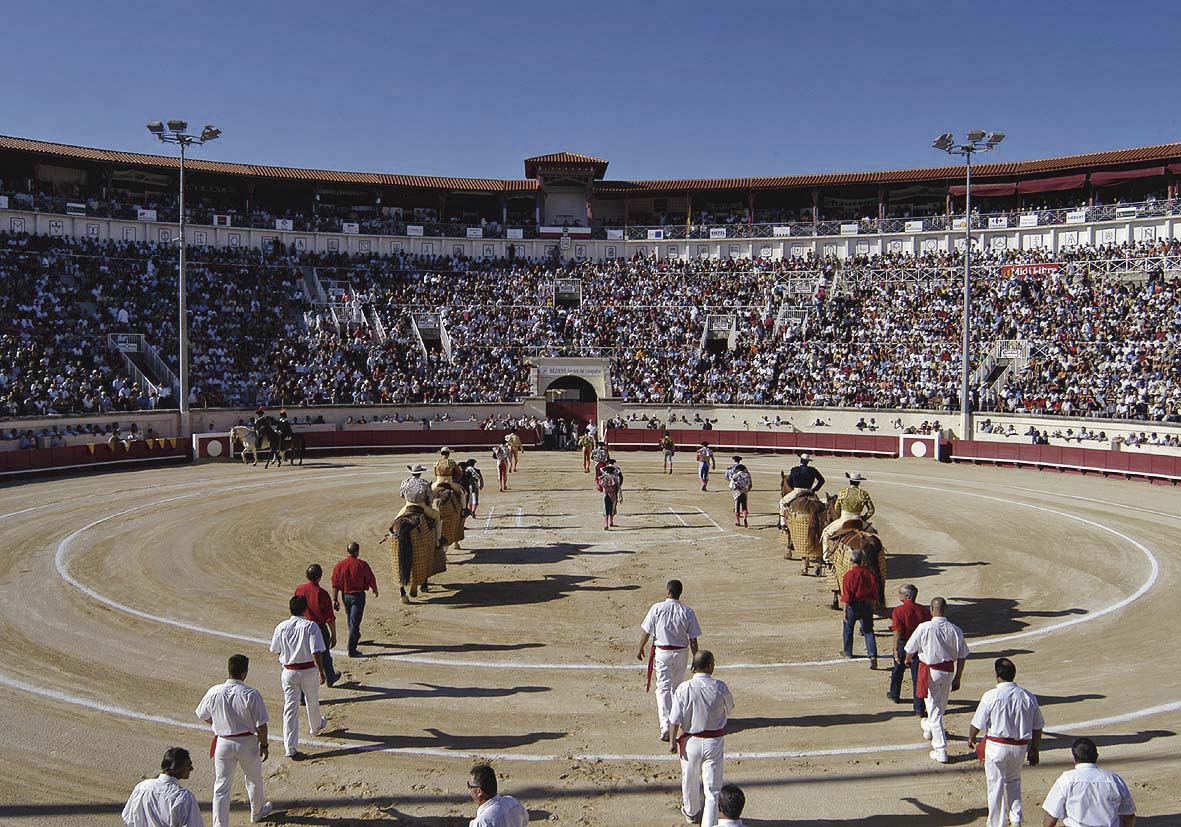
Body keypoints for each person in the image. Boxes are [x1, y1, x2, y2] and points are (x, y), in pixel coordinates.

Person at [194, 654, 272, 826]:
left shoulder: (214, 691)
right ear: (244, 673)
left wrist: (216, 724)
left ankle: (219, 824)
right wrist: (264, 745)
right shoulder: (251, 694)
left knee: (221, 786)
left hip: (223, 743)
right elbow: (261, 725)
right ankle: (257, 812)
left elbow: (202, 714)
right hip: (247, 743)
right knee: (253, 780)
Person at [968, 658, 1045, 827]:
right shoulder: (1027, 696)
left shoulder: (990, 696)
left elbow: (977, 723)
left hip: (996, 747)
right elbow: (1038, 726)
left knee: (995, 785)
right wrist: (1035, 749)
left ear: (997, 675)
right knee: (1014, 781)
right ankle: (1016, 819)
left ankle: (997, 823)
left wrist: (971, 737)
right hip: (1019, 748)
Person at [668, 650, 735, 827]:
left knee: (689, 779)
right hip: (713, 742)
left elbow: (674, 719)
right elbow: (730, 708)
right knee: (712, 788)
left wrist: (672, 741)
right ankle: (709, 824)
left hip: (691, 742)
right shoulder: (720, 687)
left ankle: (691, 814)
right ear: (709, 666)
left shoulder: (684, 688)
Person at [904, 596, 970, 764]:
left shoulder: (924, 627)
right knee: (939, 708)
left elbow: (910, 649)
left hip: (931, 671)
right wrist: (958, 677)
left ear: (931, 610)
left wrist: (907, 660)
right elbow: (962, 656)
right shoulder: (955, 629)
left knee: (935, 710)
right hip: (948, 672)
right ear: (946, 609)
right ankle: (928, 728)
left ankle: (940, 749)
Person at [636, 579, 702, 741]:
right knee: (677, 688)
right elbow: (693, 639)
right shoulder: (687, 612)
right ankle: (676, 722)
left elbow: (647, 631)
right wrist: (696, 657)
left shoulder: (657, 608)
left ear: (668, 592)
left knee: (663, 688)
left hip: (663, 653)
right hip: (681, 653)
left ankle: (666, 725)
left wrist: (640, 647)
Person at [268, 595, 327, 760]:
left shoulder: (281, 627)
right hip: (308, 670)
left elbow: (276, 650)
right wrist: (321, 671)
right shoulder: (310, 626)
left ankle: (290, 747)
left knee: (290, 708)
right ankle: (315, 727)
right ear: (305, 609)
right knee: (312, 700)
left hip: (289, 671)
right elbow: (316, 651)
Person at [1041, 737, 1136, 827]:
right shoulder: (1114, 779)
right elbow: (1129, 815)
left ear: (1074, 759)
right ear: (1096, 756)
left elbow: (1051, 815)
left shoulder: (1067, 779)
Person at [122, 747, 203, 827]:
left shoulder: (142, 787)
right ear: (176, 768)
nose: (191, 769)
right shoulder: (184, 797)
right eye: (188, 765)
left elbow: (128, 818)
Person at [888, 584, 931, 715]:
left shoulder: (898, 610)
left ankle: (895, 694)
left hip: (903, 643)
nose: (899, 594)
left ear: (907, 595)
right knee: (917, 676)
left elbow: (897, 631)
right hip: (919, 645)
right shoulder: (923, 610)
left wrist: (895, 648)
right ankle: (918, 707)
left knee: (897, 670)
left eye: (900, 592)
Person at [294, 564, 341, 687]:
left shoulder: (299, 589)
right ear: (319, 577)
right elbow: (330, 618)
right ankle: (329, 676)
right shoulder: (322, 593)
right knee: (324, 654)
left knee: (304, 653)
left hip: (302, 625)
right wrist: (333, 635)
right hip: (318, 627)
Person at [331, 542, 379, 658]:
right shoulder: (362, 565)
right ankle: (352, 649)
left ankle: (355, 636)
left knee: (350, 618)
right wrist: (375, 589)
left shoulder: (340, 565)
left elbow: (335, 583)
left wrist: (335, 599)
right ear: (357, 551)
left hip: (345, 596)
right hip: (358, 597)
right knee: (354, 622)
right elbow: (370, 578)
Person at [840, 549, 879, 669]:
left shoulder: (848, 575)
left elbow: (847, 595)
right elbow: (875, 592)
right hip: (866, 605)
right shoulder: (870, 574)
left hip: (853, 606)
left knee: (848, 628)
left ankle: (848, 651)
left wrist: (845, 610)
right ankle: (872, 655)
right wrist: (872, 606)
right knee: (868, 631)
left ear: (851, 560)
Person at [821, 471, 875, 550]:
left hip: (844, 520)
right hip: (858, 521)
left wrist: (840, 517)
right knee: (873, 534)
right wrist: (863, 518)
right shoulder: (864, 494)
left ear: (850, 481)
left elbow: (836, 509)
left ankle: (826, 558)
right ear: (859, 482)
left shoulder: (842, 493)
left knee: (826, 534)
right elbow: (871, 510)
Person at [724, 458, 752, 527]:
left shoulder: (735, 476)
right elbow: (750, 485)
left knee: (737, 508)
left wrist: (736, 488)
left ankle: (738, 521)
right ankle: (745, 518)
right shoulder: (747, 475)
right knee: (744, 507)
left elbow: (731, 485)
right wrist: (746, 490)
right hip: (744, 493)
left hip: (737, 494)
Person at [598, 457, 623, 529]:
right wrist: (619, 494)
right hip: (613, 494)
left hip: (606, 494)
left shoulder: (604, 477)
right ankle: (611, 522)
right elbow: (619, 484)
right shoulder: (615, 476)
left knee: (605, 508)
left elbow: (601, 484)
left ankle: (606, 524)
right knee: (612, 508)